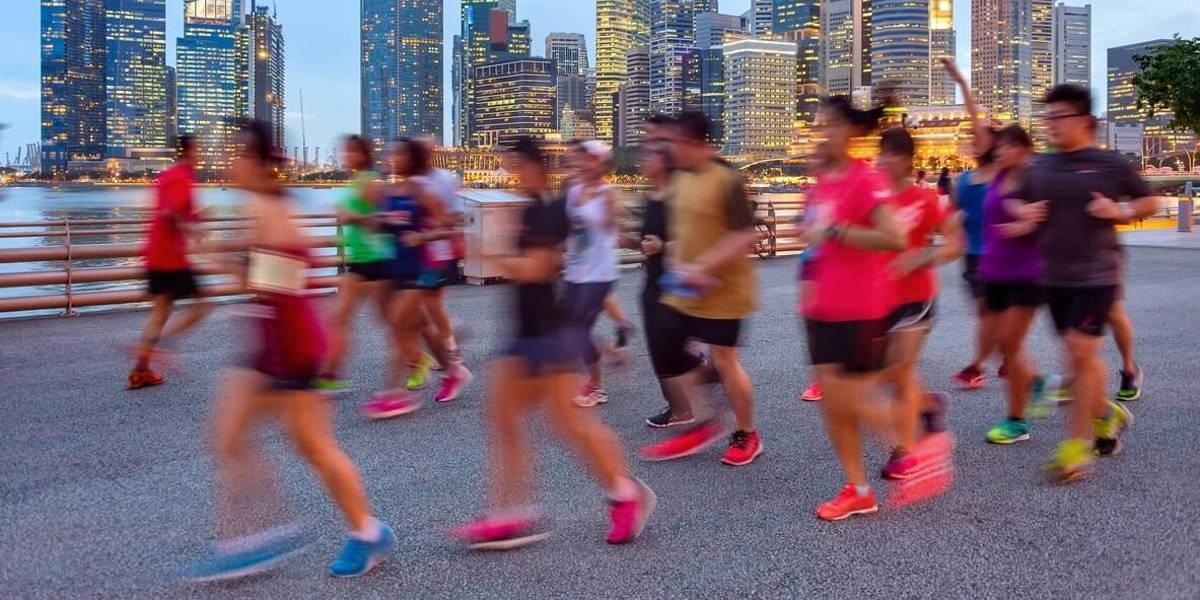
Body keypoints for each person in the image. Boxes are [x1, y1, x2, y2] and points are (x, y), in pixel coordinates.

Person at [184, 121, 394, 581]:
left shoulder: (268, 208)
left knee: (310, 445)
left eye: (237, 153)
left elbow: (276, 283)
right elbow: (268, 273)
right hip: (269, 339)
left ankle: (359, 531)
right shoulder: (262, 205)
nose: (229, 161)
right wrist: (224, 251)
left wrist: (214, 255)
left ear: (259, 163)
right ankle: (251, 536)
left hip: (291, 344)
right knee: (232, 438)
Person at [451, 138, 655, 550]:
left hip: (547, 330)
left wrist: (485, 251)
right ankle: (511, 512)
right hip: (527, 329)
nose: (509, 175)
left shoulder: (546, 210)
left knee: (568, 424)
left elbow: (537, 268)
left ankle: (624, 494)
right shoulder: (536, 208)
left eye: (514, 166)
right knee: (507, 420)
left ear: (533, 167)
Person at [1009, 84, 1158, 482]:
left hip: (1098, 275)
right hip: (1054, 277)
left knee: (1078, 353)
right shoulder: (1039, 167)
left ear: (1085, 121)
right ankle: (1107, 417)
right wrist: (1026, 214)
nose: (1052, 125)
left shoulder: (1109, 165)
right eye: (1048, 118)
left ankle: (1075, 450)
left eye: (1061, 117)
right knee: (1081, 361)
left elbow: (1150, 202)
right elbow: (1017, 199)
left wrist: (1119, 209)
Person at [795, 97, 906, 521]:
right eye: (819, 123)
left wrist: (836, 230)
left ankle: (914, 446)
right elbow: (816, 240)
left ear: (853, 131)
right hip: (823, 306)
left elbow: (893, 237)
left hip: (860, 307)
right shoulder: (822, 181)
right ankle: (858, 487)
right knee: (835, 404)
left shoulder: (867, 179)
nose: (823, 131)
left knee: (849, 398)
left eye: (833, 124)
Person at [637, 111, 762, 466]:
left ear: (692, 142)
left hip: (725, 291)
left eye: (674, 141)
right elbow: (682, 232)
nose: (669, 149)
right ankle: (706, 420)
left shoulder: (726, 179)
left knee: (725, 362)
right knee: (668, 347)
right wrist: (676, 267)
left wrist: (705, 268)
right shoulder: (680, 180)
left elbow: (746, 235)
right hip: (685, 288)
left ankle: (746, 434)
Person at [875, 128, 963, 484]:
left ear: (907, 161)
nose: (884, 161)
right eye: (881, 154)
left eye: (892, 155)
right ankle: (929, 404)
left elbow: (955, 243)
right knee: (887, 371)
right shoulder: (874, 199)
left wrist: (922, 257)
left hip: (916, 297)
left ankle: (904, 450)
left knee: (899, 369)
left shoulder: (925, 200)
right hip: (879, 298)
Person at [360, 139, 468, 419]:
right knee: (416, 325)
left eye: (400, 154)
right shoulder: (388, 192)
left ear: (413, 160)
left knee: (399, 327)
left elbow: (449, 226)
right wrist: (370, 221)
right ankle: (453, 370)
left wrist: (423, 236)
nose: (392, 158)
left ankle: (394, 395)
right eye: (392, 153)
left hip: (418, 270)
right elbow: (378, 222)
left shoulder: (423, 192)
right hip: (392, 268)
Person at [972, 125, 1046, 446]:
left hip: (1026, 274)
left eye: (1006, 146)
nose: (999, 151)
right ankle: (1048, 386)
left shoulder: (1034, 178)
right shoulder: (1000, 176)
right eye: (998, 146)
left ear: (1023, 149)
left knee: (1010, 346)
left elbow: (1046, 213)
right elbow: (1009, 207)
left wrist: (1027, 223)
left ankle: (1017, 421)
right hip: (994, 273)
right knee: (997, 347)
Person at [127, 135, 212, 389]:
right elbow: (170, 212)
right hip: (170, 257)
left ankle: (140, 371)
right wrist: (191, 228)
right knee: (202, 304)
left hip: (155, 253)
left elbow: (173, 209)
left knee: (161, 313)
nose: (201, 154)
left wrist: (197, 218)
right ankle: (162, 346)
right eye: (199, 149)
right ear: (188, 151)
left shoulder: (169, 175)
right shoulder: (183, 176)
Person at [315, 136, 393, 393]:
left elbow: (383, 218)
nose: (346, 155)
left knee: (389, 319)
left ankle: (419, 360)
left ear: (363, 153)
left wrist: (350, 215)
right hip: (359, 260)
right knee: (340, 318)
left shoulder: (369, 180)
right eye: (345, 151)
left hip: (377, 260)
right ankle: (329, 374)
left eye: (352, 151)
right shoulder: (357, 179)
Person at [944, 58, 1002, 390]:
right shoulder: (964, 180)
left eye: (979, 136)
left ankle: (977, 365)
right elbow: (948, 214)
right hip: (972, 257)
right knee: (987, 315)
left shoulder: (1000, 175)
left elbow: (974, 118)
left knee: (986, 314)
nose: (973, 138)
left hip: (999, 257)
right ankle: (1003, 358)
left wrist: (963, 84)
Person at [562, 140, 624, 407]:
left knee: (578, 329)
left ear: (600, 163)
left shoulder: (608, 193)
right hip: (575, 271)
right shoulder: (571, 190)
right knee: (569, 328)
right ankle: (610, 353)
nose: (581, 163)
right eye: (579, 158)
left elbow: (618, 226)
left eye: (589, 159)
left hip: (599, 273)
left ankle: (597, 387)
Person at [413, 137, 467, 364]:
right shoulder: (413, 180)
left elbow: (455, 216)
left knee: (431, 304)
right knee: (421, 305)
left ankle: (450, 348)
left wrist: (433, 229)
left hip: (438, 250)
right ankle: (449, 333)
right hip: (416, 251)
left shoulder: (444, 179)